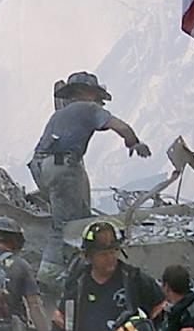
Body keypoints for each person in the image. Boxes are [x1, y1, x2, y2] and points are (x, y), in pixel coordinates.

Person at [29, 71, 152, 288]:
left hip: (42, 168)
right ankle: (51, 277)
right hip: (63, 167)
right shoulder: (89, 108)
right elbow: (121, 126)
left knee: (74, 217)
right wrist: (134, 143)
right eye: (96, 95)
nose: (98, 100)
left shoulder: (60, 114)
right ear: (87, 92)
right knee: (68, 225)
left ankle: (71, 268)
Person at [43, 221, 164, 331]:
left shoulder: (134, 281)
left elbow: (163, 318)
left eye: (113, 251)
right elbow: (59, 328)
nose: (110, 258)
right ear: (88, 256)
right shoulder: (77, 286)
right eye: (103, 254)